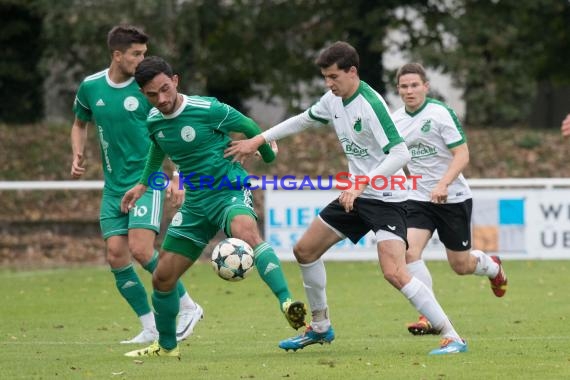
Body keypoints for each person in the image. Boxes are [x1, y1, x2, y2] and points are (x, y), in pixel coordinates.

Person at [226, 41, 467, 355]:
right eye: (325, 77)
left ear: (352, 72)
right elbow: (302, 119)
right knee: (305, 250)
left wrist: (361, 184)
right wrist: (259, 138)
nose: (329, 83)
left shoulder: (370, 105)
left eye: (333, 77)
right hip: (357, 194)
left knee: (394, 272)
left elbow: (400, 153)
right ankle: (321, 327)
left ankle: (453, 336)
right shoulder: (333, 99)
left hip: (388, 198)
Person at [120, 56, 307, 359]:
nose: (162, 99)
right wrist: (143, 184)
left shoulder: (209, 109)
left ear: (176, 81)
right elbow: (158, 147)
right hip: (195, 205)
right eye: (153, 95)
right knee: (163, 277)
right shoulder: (153, 119)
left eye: (166, 89)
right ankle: (166, 346)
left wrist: (267, 154)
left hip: (228, 191)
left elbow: (249, 127)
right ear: (143, 94)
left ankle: (286, 302)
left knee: (246, 233)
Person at [70, 25, 203, 345]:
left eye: (145, 53)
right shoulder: (90, 87)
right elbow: (79, 123)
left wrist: (176, 176)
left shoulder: (149, 90)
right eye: (137, 54)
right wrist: (77, 152)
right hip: (114, 185)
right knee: (116, 255)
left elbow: (175, 133)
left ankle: (188, 306)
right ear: (117, 55)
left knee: (141, 250)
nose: (143, 59)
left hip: (149, 181)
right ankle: (150, 326)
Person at [391, 63, 508, 335]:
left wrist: (443, 183)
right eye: (404, 86)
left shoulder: (440, 114)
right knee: (408, 253)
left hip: (452, 198)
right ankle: (428, 315)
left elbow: (462, 154)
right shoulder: (396, 121)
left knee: (461, 265)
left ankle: (492, 267)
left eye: (414, 85)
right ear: (398, 90)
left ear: (425, 87)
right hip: (419, 197)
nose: (409, 91)